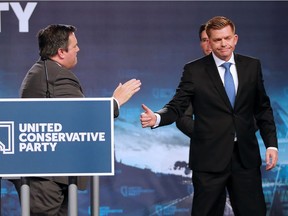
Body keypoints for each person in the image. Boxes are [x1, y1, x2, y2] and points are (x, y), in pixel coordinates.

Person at [140, 16, 278, 216]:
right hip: (209, 159)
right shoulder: (194, 70)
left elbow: (262, 108)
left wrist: (271, 144)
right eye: (217, 40)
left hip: (245, 158)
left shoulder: (252, 66)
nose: (223, 44)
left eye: (227, 38)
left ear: (235, 39)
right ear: (209, 42)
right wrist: (158, 118)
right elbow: (178, 105)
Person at [11, 24, 141, 215]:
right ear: (61, 52)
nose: (79, 49)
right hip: (46, 179)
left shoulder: (42, 71)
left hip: (49, 175)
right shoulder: (58, 77)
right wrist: (115, 102)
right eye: (75, 46)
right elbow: (80, 117)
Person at [175, 24, 227, 216]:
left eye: (212, 39)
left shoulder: (241, 70)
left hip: (240, 155)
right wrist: (210, 135)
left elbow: (255, 112)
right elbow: (182, 117)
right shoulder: (192, 73)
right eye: (205, 40)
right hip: (207, 157)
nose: (209, 45)